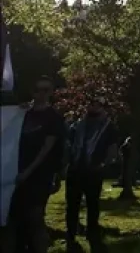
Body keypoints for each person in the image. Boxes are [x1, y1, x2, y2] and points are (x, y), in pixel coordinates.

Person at [8, 76, 65, 253]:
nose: (41, 94)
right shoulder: (23, 113)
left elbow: (46, 149)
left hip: (39, 175)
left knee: (35, 217)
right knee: (15, 219)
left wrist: (28, 172)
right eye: (38, 90)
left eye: (46, 90)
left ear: (51, 92)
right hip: (15, 174)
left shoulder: (54, 117)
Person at [65, 95, 116, 252]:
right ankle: (71, 236)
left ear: (103, 107)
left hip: (93, 172)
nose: (93, 107)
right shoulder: (77, 125)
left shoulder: (108, 126)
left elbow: (113, 148)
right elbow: (69, 144)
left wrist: (103, 164)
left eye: (97, 104)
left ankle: (92, 234)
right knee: (72, 205)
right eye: (90, 104)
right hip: (75, 170)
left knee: (92, 205)